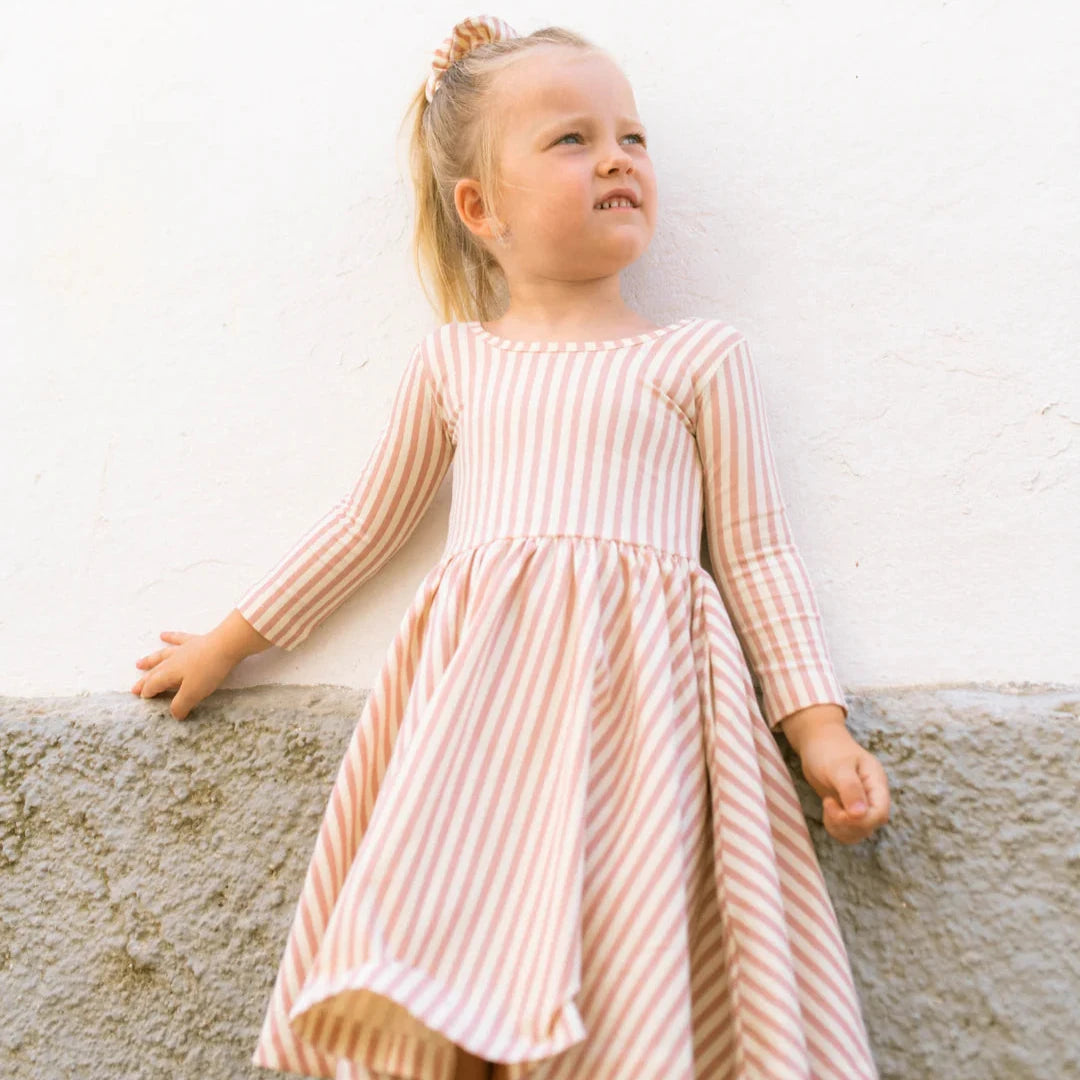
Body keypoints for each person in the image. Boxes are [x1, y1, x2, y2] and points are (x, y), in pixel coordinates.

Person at [131, 14, 890, 1080]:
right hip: (480, 726)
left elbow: (758, 557)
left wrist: (818, 731)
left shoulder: (699, 359)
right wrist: (225, 643)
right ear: (479, 208)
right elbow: (365, 525)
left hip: (649, 716)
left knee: (632, 930)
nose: (617, 157)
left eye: (631, 135)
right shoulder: (457, 364)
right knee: (462, 926)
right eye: (570, 140)